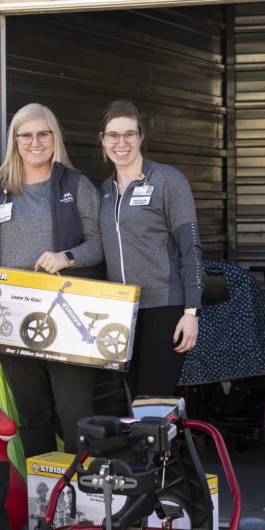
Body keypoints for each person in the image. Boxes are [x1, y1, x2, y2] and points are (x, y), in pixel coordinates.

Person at [0, 103, 103, 457]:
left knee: (75, 416)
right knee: (31, 415)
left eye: (43, 134)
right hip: (10, 317)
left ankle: (79, 504)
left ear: (54, 137)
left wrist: (66, 257)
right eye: (26, 135)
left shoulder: (76, 184)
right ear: (15, 140)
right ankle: (43, 507)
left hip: (67, 313)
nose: (35, 142)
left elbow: (100, 244)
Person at [97, 99, 203, 399]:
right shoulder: (104, 191)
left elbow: (191, 248)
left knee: (154, 402)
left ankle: (163, 447)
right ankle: (158, 448)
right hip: (121, 312)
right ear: (103, 140)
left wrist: (191, 312)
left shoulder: (168, 181)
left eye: (130, 133)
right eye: (113, 135)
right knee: (135, 402)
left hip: (164, 308)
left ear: (141, 136)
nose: (122, 142)